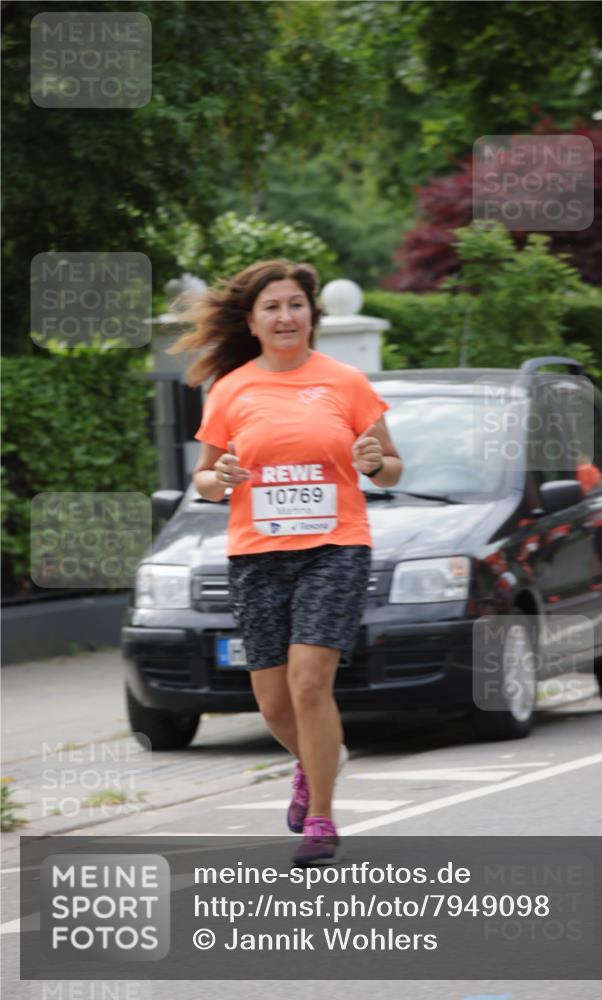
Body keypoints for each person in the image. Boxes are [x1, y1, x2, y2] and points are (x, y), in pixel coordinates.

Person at [167, 259, 402, 864]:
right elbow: (205, 480)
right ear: (252, 322)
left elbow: (390, 467)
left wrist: (375, 462)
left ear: (311, 315)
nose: (285, 316)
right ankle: (315, 760)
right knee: (273, 703)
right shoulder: (231, 388)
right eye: (271, 307)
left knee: (309, 682)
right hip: (257, 555)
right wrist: (220, 476)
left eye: (296, 304)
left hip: (335, 547)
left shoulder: (346, 382)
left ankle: (321, 818)